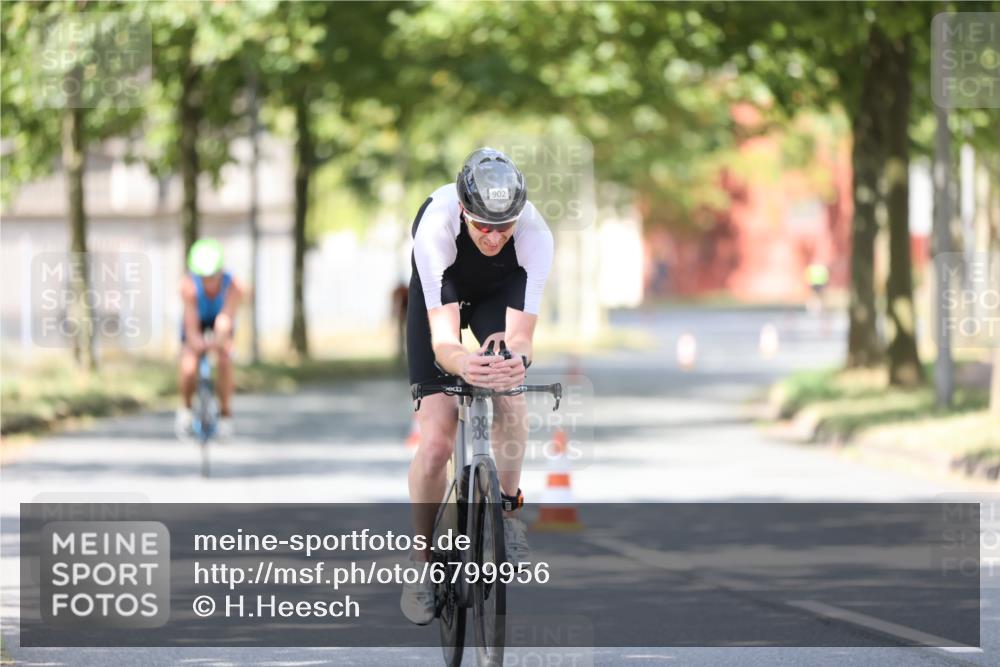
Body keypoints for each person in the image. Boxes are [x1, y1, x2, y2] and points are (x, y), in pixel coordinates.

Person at [400, 148, 554, 625]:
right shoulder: (436, 226)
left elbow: (523, 336)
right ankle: (423, 564)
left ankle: (506, 513)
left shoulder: (535, 234)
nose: (492, 236)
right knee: (437, 442)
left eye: (503, 226)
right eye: (482, 225)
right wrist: (465, 365)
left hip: (498, 295)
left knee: (511, 394)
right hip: (441, 293)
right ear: (464, 210)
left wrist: (513, 362)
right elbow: (445, 342)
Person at [175, 238, 244, 439]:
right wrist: (196, 343)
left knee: (224, 361)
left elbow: (225, 319)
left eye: (213, 276)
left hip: (221, 319)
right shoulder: (187, 286)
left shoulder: (233, 286)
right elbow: (190, 323)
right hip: (197, 320)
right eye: (203, 277)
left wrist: (219, 342)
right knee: (188, 366)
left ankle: (225, 414)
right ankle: (186, 410)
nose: (208, 281)